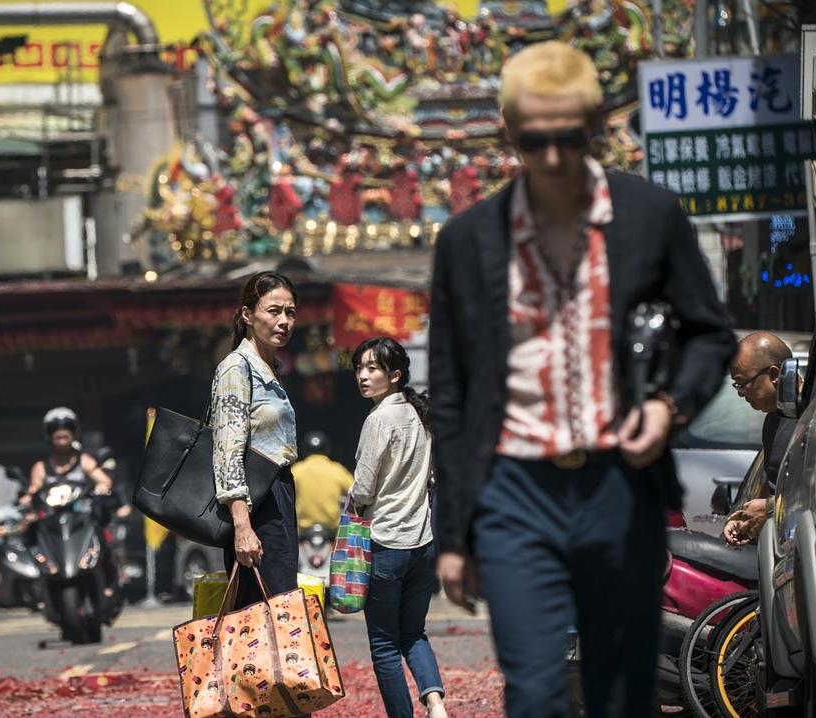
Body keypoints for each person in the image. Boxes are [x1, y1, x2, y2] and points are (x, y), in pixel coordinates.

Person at [428, 41, 736, 718]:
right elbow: (450, 396)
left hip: (619, 484)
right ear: (508, 133)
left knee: (620, 691)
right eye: (533, 141)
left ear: (594, 128)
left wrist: (669, 406)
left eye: (569, 138)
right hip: (512, 492)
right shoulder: (467, 241)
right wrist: (453, 537)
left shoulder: (649, 216)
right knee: (535, 693)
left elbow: (709, 334)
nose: (552, 158)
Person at [350, 337, 448, 718]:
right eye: (360, 368)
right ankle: (435, 702)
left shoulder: (378, 419)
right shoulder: (419, 414)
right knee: (414, 633)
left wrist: (354, 503)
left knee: (384, 646)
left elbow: (363, 488)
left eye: (372, 368)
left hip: (386, 543)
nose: (363, 375)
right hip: (422, 543)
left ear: (395, 375)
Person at [213, 271, 301, 611]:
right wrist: (242, 527)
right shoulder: (236, 368)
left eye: (290, 312)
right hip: (255, 505)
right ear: (248, 315)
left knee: (277, 611)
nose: (284, 321)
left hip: (277, 497)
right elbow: (227, 452)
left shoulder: (270, 368)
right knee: (261, 615)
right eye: (274, 311)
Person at [722, 331, 795, 545]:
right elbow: (770, 486)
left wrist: (769, 509)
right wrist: (746, 520)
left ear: (774, 374)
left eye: (743, 383)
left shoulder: (815, 419)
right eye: (737, 385)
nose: (740, 393)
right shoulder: (773, 420)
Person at [21, 407, 114, 505]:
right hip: (50, 512)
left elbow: (104, 481)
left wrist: (101, 487)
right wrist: (27, 498)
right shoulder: (41, 468)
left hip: (81, 511)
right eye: (58, 438)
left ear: (74, 435)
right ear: (49, 436)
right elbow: (34, 489)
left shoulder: (84, 461)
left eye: (66, 437)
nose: (62, 442)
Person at [291, 431, 354, 534]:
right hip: (331, 529)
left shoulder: (296, 470)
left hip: (302, 530)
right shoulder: (337, 470)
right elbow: (355, 492)